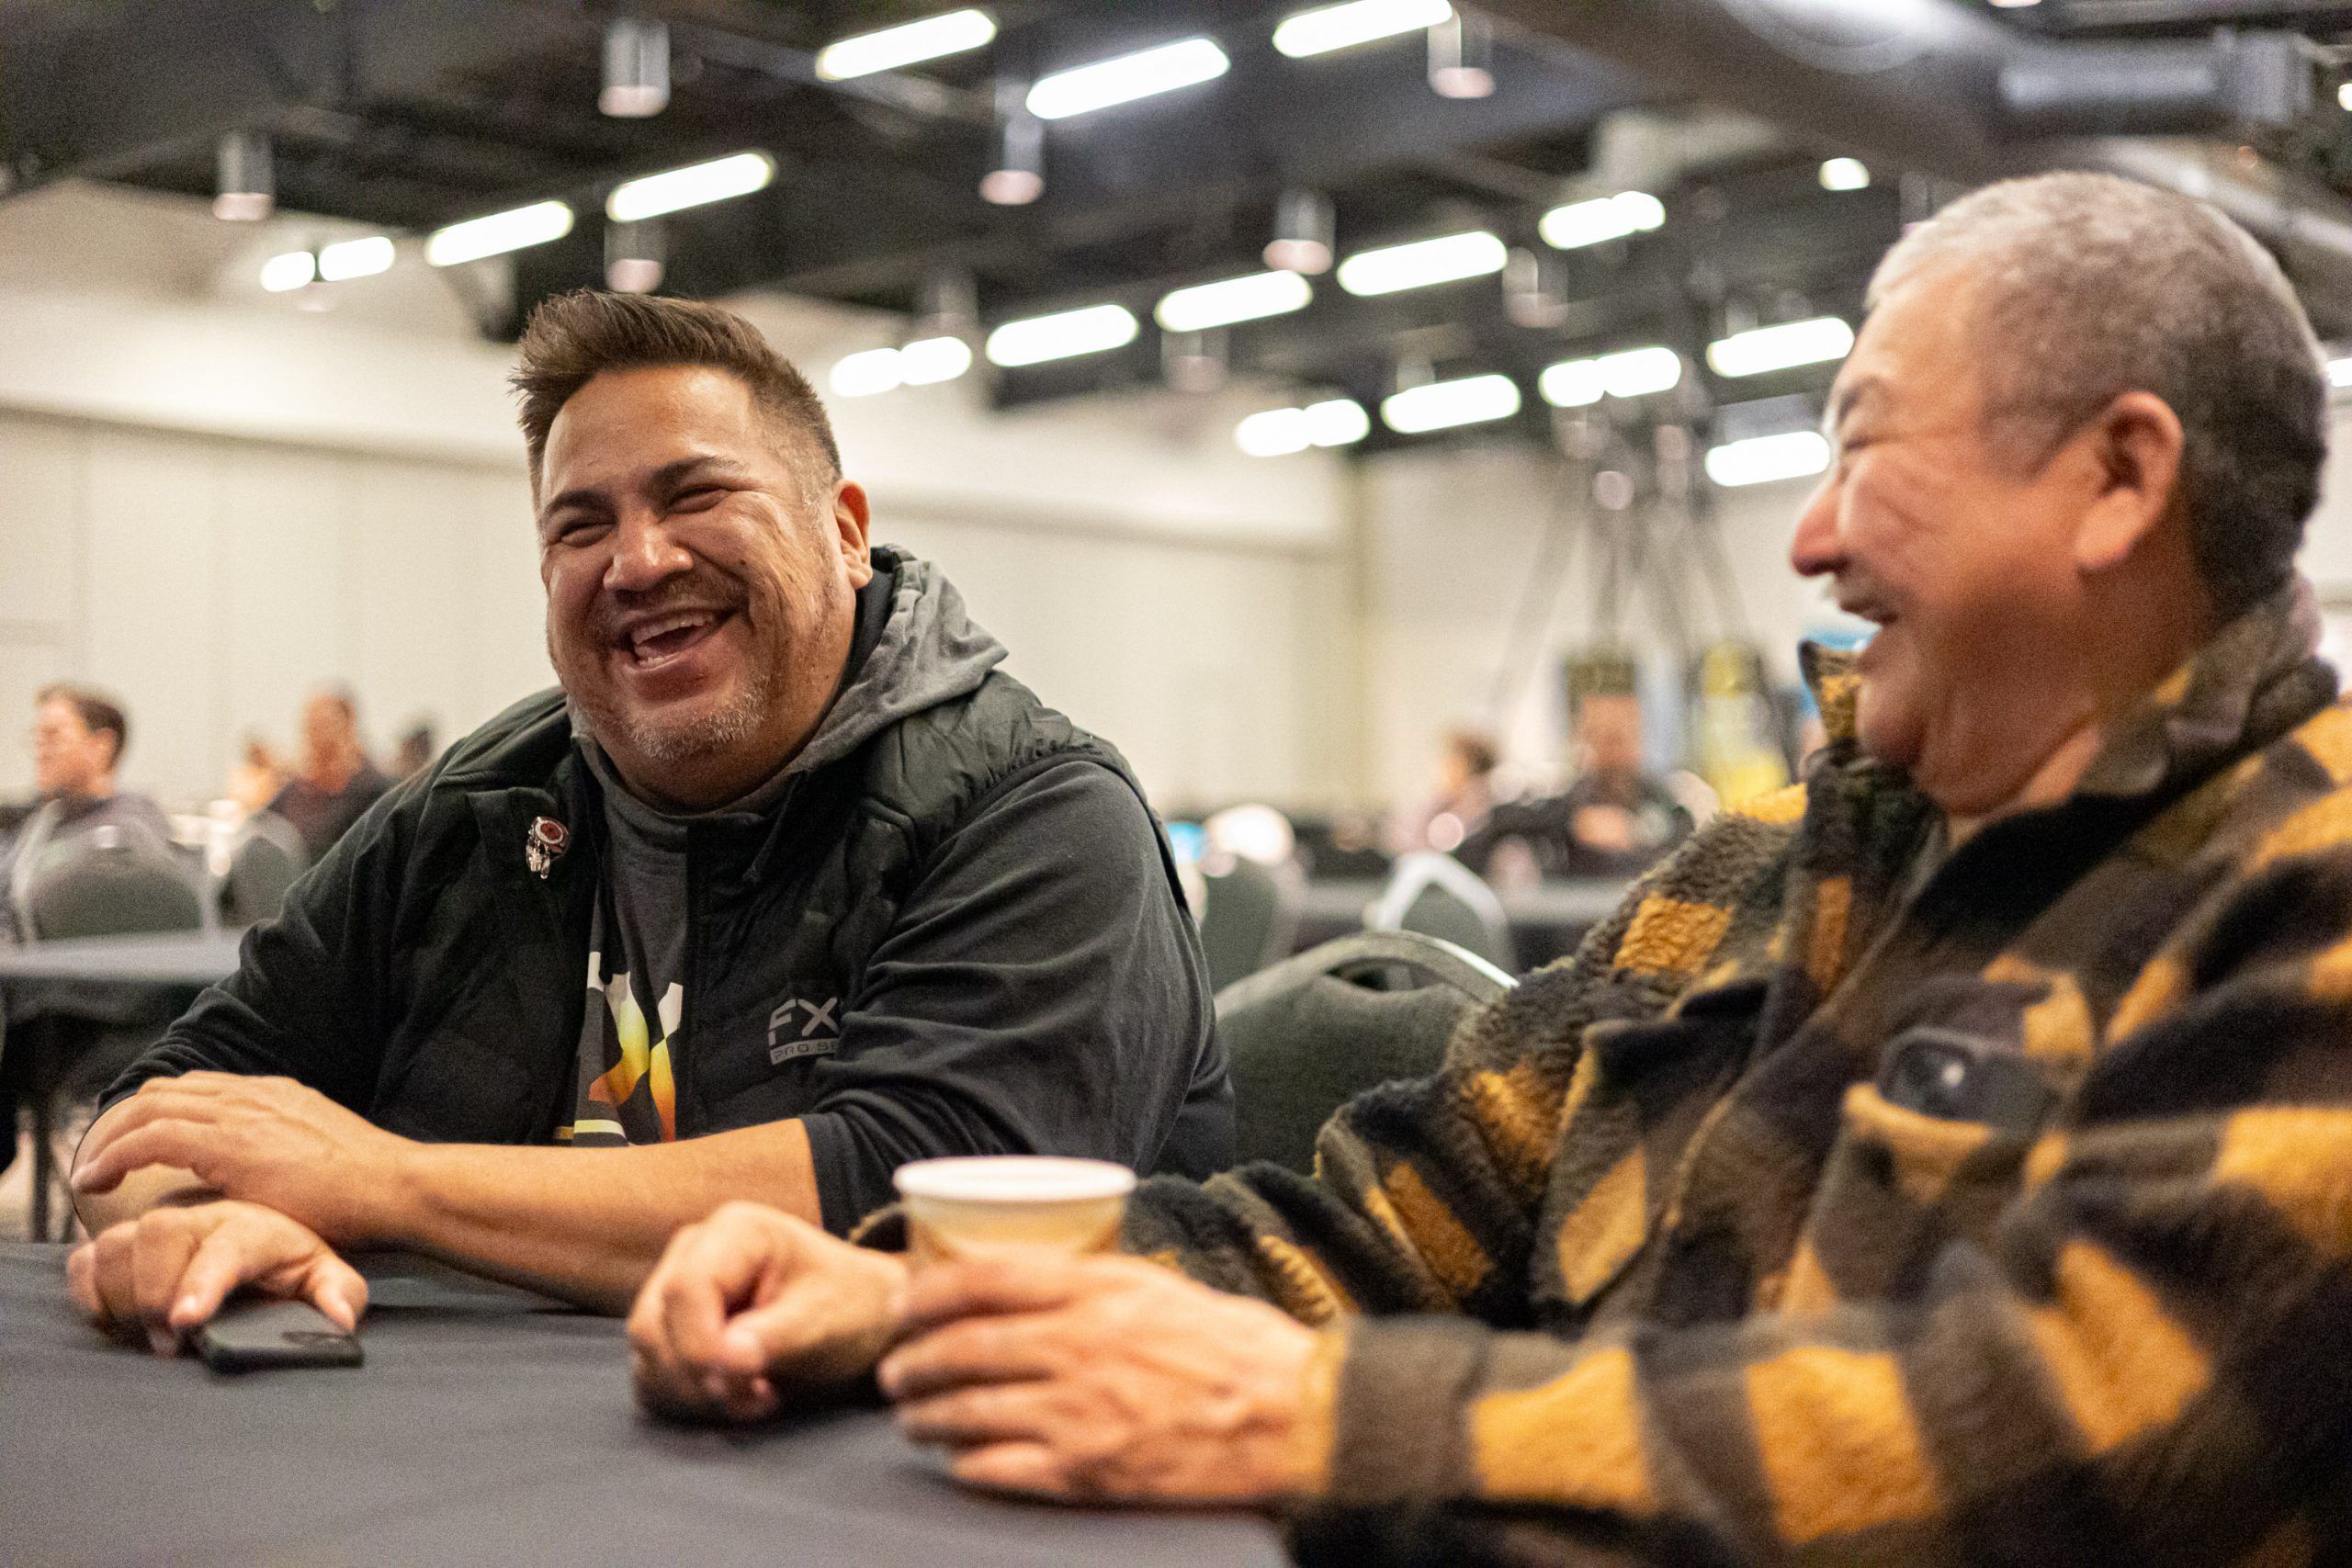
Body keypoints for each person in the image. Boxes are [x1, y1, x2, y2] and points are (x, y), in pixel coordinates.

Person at [624, 173, 2352, 1562]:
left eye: (1864, 445)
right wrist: (926, 1291)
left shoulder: (2305, 889)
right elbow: (1388, 1221)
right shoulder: (1754, 876)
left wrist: (1314, 1418)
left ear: (2118, 480)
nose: (1811, 538)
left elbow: (2059, 1443)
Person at [64, 290, 1228, 1342]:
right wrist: (186, 1226)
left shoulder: (1037, 813)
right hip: (442, 1468)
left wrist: (380, 1184)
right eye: (579, 526)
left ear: (844, 530)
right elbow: (159, 1108)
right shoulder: (474, 809)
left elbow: (925, 1197)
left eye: (698, 494)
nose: (637, 560)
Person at [0, 684, 173, 936]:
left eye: (53, 737)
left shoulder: (133, 827)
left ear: (101, 746)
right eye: (36, 737)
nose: (40, 750)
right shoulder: (43, 820)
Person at [264, 690, 391, 863]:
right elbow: (262, 827)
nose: (313, 735)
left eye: (323, 725)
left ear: (347, 726)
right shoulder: (295, 790)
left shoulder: (372, 790)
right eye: (310, 726)